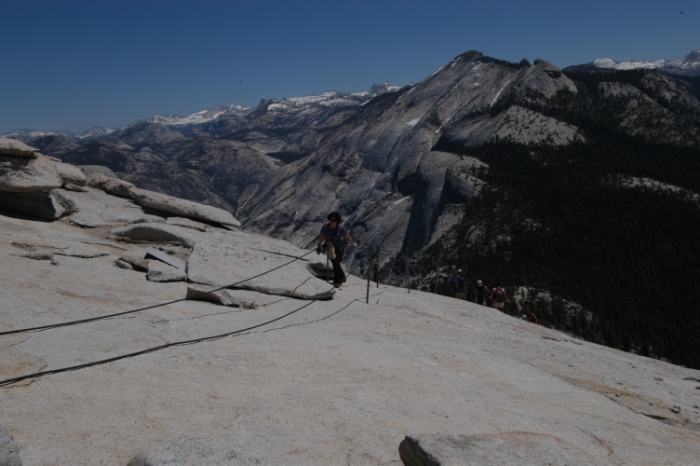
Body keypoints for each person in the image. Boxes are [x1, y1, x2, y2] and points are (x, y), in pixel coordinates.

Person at [317, 212, 355, 287]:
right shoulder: (325, 227)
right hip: (330, 248)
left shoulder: (340, 228)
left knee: (336, 263)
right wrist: (318, 245)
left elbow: (347, 236)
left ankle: (337, 281)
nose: (332, 222)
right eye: (331, 220)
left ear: (337, 221)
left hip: (339, 248)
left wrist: (352, 243)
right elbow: (321, 236)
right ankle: (342, 277)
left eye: (334, 220)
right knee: (335, 264)